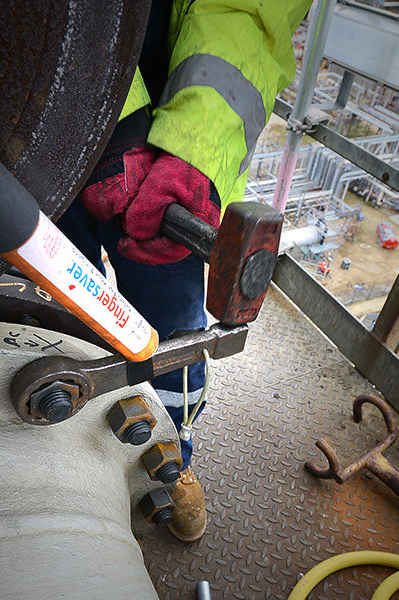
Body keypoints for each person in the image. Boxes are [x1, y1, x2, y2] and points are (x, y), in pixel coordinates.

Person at [58, 0, 313, 542]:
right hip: (41, 133)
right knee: (59, 320)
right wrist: (115, 121)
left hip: (166, 167)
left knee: (174, 341)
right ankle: (68, 450)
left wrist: (197, 153)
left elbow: (251, 12)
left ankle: (169, 458)